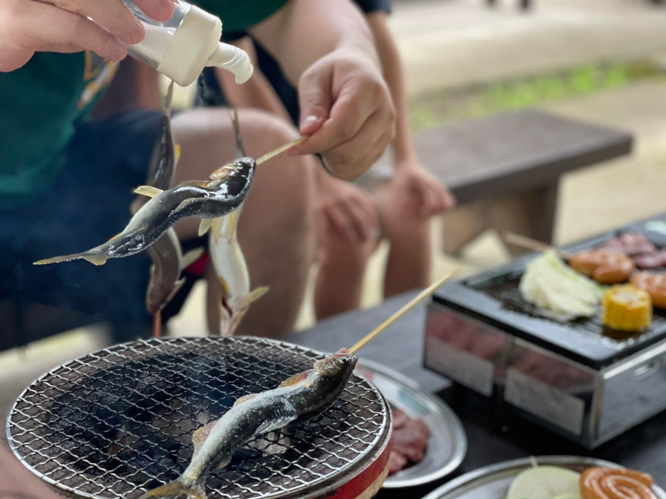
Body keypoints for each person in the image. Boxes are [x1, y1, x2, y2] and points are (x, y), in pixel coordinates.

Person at [0, 0, 395, 339]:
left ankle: (240, 404)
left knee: (267, 161)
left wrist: (348, 53)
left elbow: (290, 11)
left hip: (63, 161)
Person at [201, 0, 454, 322]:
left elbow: (381, 45)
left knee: (411, 213)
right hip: (255, 149)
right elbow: (239, 78)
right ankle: (337, 361)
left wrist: (406, 160)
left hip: (330, 140)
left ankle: (399, 348)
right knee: (346, 235)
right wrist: (317, 182)